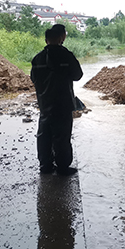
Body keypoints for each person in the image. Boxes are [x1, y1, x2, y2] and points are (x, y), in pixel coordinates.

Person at [31, 24, 83, 175]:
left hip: (44, 102)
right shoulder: (66, 55)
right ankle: (62, 167)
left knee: (44, 134)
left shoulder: (38, 58)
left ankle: (45, 165)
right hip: (63, 102)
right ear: (62, 38)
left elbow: (34, 78)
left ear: (46, 40)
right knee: (62, 135)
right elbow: (78, 75)